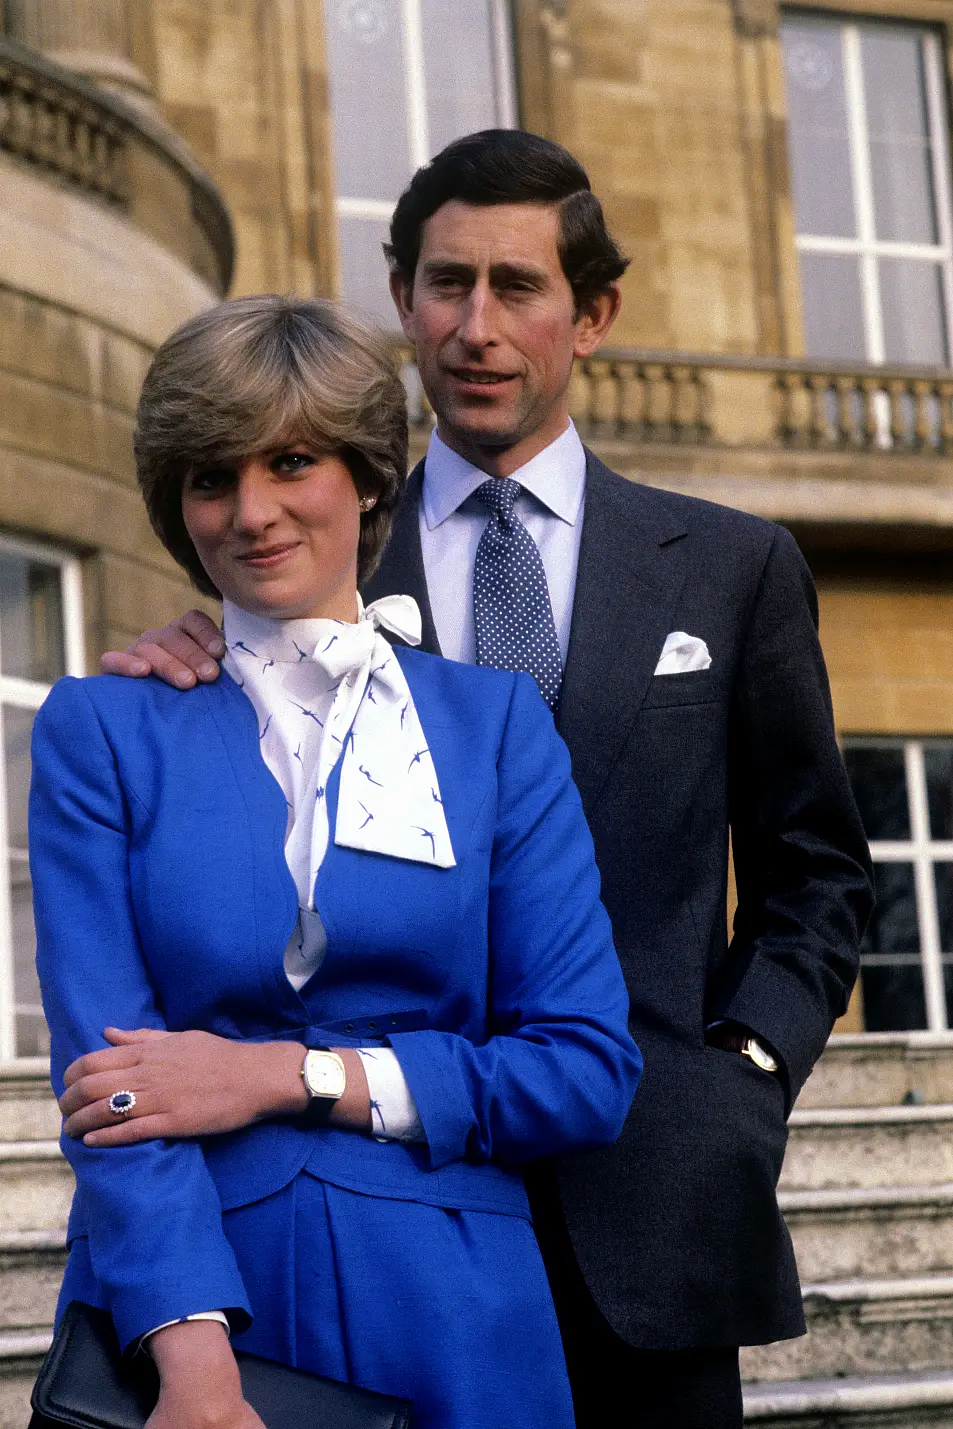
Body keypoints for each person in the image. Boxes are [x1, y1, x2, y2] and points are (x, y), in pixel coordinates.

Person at [102, 132, 875, 1429]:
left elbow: (822, 877)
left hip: (660, 1206)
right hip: (381, 1219)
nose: (475, 325)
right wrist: (197, 663)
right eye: (443, 283)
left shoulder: (732, 571)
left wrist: (739, 1071)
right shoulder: (294, 547)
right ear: (401, 299)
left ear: (594, 313)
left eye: (516, 286)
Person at [30, 294, 642, 1429]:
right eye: (212, 478)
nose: (251, 512)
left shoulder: (493, 728)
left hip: (457, 1311)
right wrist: (196, 1366)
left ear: (365, 476)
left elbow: (583, 1067)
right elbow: (107, 1083)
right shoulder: (102, 727)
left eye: (293, 461)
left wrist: (284, 1075)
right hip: (195, 1309)